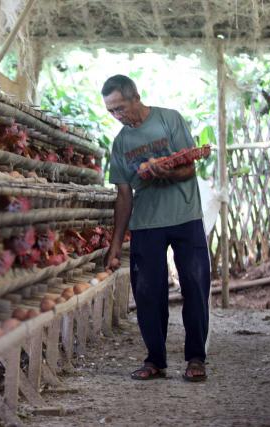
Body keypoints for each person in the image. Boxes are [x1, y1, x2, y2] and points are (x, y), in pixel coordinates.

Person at [101, 74, 211, 382]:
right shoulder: (121, 141)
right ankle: (155, 360)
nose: (117, 116)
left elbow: (189, 168)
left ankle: (196, 358)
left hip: (185, 217)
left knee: (195, 285)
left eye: (120, 108)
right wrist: (114, 246)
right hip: (147, 223)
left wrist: (168, 173)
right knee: (148, 292)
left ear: (136, 97)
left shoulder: (169, 119)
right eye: (110, 111)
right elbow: (123, 196)